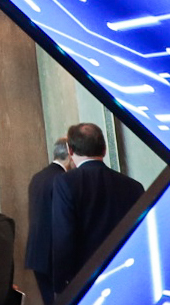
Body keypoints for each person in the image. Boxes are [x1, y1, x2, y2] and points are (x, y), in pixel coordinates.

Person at [50, 123, 144, 286]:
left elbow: (63, 236)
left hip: (86, 279)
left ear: (70, 151)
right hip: (128, 275)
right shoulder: (134, 186)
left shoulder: (66, 183)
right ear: (104, 150)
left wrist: (61, 282)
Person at [25, 138, 70, 305]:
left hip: (37, 253)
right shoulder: (63, 179)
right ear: (70, 154)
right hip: (55, 254)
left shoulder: (38, 177)